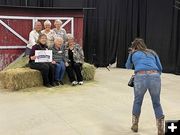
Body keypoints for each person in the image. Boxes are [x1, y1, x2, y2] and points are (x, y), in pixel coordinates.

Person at [125, 38, 164, 135]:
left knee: (137, 101)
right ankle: (160, 128)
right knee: (156, 103)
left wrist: (131, 54)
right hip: (155, 76)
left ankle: (135, 125)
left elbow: (128, 66)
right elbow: (160, 68)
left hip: (140, 77)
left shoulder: (133, 53)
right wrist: (154, 75)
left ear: (134, 46)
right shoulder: (152, 53)